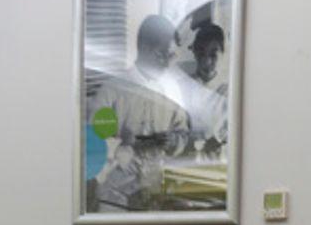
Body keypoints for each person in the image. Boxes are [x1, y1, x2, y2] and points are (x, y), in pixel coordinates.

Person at [87, 15, 190, 210]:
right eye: (161, 55)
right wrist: (123, 145)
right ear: (143, 47)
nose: (167, 64)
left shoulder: (173, 91)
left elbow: (183, 135)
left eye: (171, 56)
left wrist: (174, 141)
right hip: (115, 196)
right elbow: (92, 143)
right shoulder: (112, 90)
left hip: (158, 192)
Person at [176, 22, 229, 158]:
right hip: (184, 159)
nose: (206, 62)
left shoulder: (229, 92)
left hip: (217, 161)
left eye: (213, 55)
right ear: (194, 53)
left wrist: (218, 140)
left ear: (223, 53)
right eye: (201, 54)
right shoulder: (181, 87)